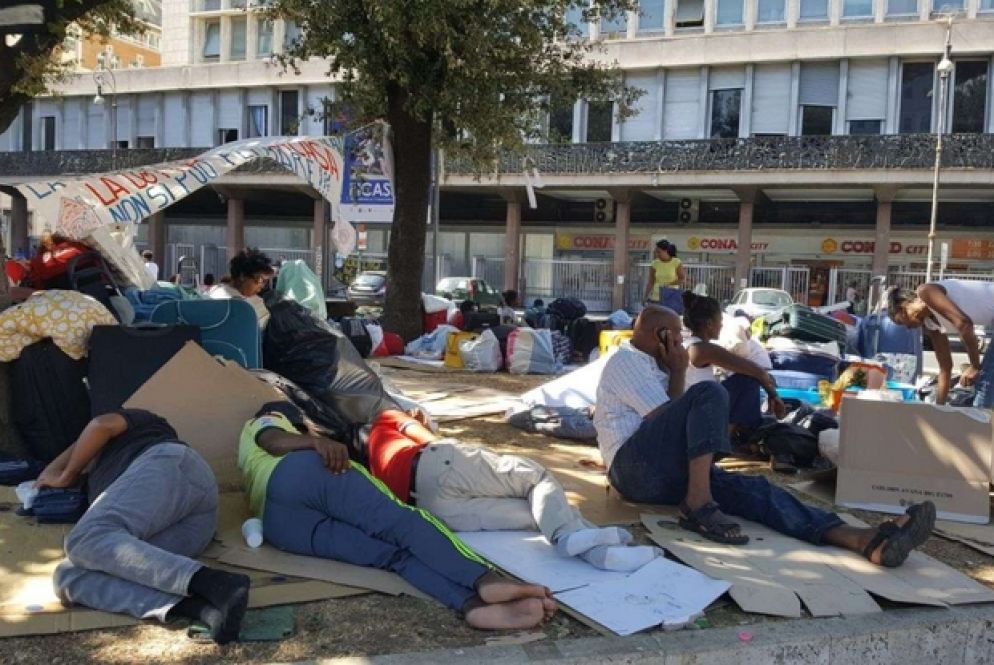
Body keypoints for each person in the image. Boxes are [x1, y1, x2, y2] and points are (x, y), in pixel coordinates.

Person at [593, 305, 935, 564]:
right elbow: (662, 421)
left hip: (664, 471)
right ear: (662, 336)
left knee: (758, 492)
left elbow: (669, 421)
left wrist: (677, 370)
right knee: (711, 393)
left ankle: (864, 541)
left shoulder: (657, 365)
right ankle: (699, 502)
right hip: (632, 469)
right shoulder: (627, 361)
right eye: (677, 337)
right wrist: (681, 371)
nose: (682, 344)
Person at [238, 403, 556, 630]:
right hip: (302, 476)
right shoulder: (267, 419)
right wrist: (314, 441)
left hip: (282, 527)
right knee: (403, 523)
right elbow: (273, 440)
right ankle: (484, 579)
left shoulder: (244, 461)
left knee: (392, 558)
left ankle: (470, 605)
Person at [37, 410, 249, 644]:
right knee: (69, 575)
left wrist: (67, 474)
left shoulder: (141, 424)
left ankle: (214, 582)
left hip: (174, 467)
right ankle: (201, 608)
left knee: (84, 538)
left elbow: (99, 426)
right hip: (190, 525)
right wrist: (59, 476)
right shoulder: (104, 482)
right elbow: (47, 475)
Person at [365, 409, 659, 572]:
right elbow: (428, 437)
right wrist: (419, 421)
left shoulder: (375, 464)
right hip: (436, 464)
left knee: (541, 512)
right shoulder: (387, 416)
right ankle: (568, 536)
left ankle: (603, 556)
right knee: (536, 477)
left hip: (434, 508)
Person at [681, 292, 785, 443]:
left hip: (698, 406)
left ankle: (731, 434)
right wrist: (773, 395)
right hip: (698, 411)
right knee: (747, 379)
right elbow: (756, 371)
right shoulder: (701, 349)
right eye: (720, 321)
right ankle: (723, 440)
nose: (722, 325)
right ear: (709, 324)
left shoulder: (693, 345)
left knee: (742, 379)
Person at [888, 281, 994, 407]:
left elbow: (964, 324)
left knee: (984, 386)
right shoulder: (931, 324)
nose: (909, 327)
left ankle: (980, 426)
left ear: (905, 304)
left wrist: (975, 366)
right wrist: (939, 408)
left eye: (904, 320)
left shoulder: (926, 291)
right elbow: (945, 367)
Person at [209, 248, 275, 328]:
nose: (263, 286)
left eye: (266, 281)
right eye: (260, 280)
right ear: (242, 276)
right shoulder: (243, 304)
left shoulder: (214, 290)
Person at [643, 240, 685, 313]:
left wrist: (669, 284)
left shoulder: (676, 262)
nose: (657, 254)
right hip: (656, 297)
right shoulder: (654, 263)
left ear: (666, 251)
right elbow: (651, 282)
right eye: (656, 252)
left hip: (671, 296)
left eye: (659, 252)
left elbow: (682, 279)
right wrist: (645, 297)